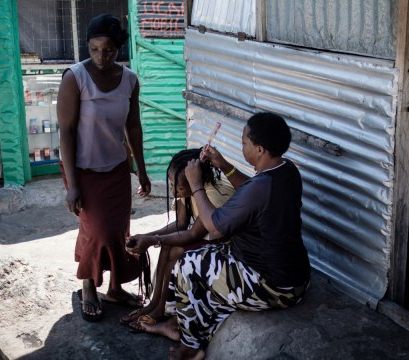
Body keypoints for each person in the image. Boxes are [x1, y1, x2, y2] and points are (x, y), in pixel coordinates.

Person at [137, 112, 311, 360]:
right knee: (203, 261)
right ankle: (179, 325)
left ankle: (189, 347)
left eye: (244, 143)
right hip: (296, 278)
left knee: (186, 265)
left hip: (273, 286)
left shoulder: (260, 187)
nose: (241, 146)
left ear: (259, 149)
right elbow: (251, 192)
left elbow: (216, 227)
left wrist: (196, 185)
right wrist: (225, 166)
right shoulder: (286, 170)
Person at [57, 13, 151, 322]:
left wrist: (141, 167)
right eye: (94, 49)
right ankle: (88, 286)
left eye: (108, 50)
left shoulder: (129, 80)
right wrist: (72, 185)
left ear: (118, 49)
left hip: (117, 168)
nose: (100, 56)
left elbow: (133, 127)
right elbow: (66, 132)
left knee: (118, 230)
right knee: (96, 229)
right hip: (82, 169)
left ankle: (114, 289)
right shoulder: (75, 78)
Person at [122, 148, 234, 332]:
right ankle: (155, 305)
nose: (174, 191)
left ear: (194, 179)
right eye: (172, 185)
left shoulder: (212, 194)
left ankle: (163, 310)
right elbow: (181, 224)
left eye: (178, 187)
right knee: (167, 245)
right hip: (207, 238)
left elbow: (193, 234)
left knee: (174, 250)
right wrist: (148, 237)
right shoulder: (188, 188)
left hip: (225, 246)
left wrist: (152, 241)